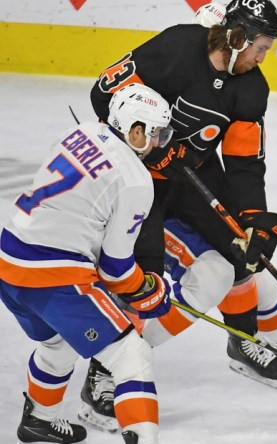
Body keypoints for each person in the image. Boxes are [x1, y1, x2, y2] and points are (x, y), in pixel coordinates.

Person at [79, 0, 277, 429]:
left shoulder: (252, 88)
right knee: (144, 273)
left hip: (192, 171)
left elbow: (244, 162)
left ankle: (243, 340)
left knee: (240, 248)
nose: (262, 58)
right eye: (260, 47)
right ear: (236, 39)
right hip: (136, 177)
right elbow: (103, 92)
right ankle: (104, 372)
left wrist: (254, 216)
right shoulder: (178, 46)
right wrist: (152, 147)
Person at [0, 84, 174, 444]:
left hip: (9, 259)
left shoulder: (80, 132)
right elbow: (116, 270)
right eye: (155, 133)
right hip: (53, 277)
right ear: (135, 129)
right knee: (133, 356)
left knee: (59, 344)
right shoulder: (137, 180)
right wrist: (149, 290)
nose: (159, 143)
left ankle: (39, 421)